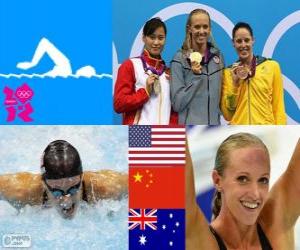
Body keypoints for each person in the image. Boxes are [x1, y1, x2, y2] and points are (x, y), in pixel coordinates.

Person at [186, 133, 300, 249]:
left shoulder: (277, 223)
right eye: (243, 179)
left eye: (263, 180)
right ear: (217, 181)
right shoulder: (200, 242)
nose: (255, 194)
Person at [0, 140, 128, 219]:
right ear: (43, 183)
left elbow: (146, 184)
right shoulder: (21, 191)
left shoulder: (107, 188)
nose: (66, 201)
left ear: (81, 177)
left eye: (73, 189)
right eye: (57, 192)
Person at [114, 17, 177, 125]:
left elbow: (173, 113)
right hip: (140, 135)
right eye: (152, 37)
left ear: (165, 39)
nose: (156, 42)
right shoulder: (130, 66)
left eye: (160, 38)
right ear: (144, 38)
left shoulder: (168, 73)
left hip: (163, 137)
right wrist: (145, 92)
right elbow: (119, 104)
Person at [221, 22, 287, 124]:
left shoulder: (272, 66)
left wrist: (281, 133)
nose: (243, 45)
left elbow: (279, 108)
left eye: (246, 40)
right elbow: (228, 115)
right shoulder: (228, 73)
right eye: (239, 41)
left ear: (253, 40)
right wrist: (235, 85)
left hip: (265, 132)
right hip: (240, 134)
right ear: (233, 43)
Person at [170, 9, 224, 125]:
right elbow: (177, 104)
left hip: (214, 130)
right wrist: (196, 77)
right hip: (190, 132)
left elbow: (221, 100)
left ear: (210, 29)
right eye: (197, 27)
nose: (201, 31)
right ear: (189, 29)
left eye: (205, 27)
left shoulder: (218, 58)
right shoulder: (179, 59)